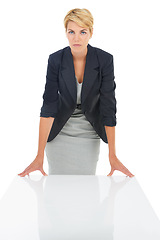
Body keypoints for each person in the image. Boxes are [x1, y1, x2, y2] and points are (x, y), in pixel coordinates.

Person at [18, 8, 134, 178]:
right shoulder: (56, 60)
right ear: (65, 32)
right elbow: (48, 106)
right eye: (71, 31)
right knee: (57, 192)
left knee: (85, 191)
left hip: (89, 132)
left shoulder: (104, 60)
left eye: (83, 32)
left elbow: (109, 107)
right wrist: (39, 155)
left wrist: (113, 156)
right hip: (59, 131)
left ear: (91, 33)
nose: (76, 38)